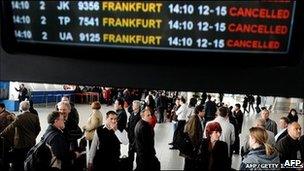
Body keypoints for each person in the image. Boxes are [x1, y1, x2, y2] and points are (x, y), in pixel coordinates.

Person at [0, 100, 41, 171]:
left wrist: (1, 134)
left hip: (21, 143)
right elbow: (38, 129)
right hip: (31, 142)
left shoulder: (19, 117)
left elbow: (10, 127)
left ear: (20, 108)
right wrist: (33, 137)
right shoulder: (35, 117)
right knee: (29, 158)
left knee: (19, 161)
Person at [183, 105, 205, 171]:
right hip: (192, 146)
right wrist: (195, 146)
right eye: (203, 111)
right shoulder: (194, 119)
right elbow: (191, 133)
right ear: (199, 112)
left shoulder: (200, 119)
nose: (205, 112)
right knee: (190, 163)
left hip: (195, 146)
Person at [127, 100, 142, 169]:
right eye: (134, 107)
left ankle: (138, 168)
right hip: (131, 138)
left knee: (138, 156)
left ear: (139, 108)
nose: (135, 109)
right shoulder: (132, 114)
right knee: (130, 154)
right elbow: (129, 125)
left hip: (137, 140)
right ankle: (129, 167)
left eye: (136, 108)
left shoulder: (140, 116)